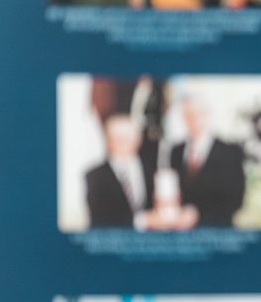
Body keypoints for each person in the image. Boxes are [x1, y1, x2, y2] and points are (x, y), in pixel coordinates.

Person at [169, 96, 246, 227]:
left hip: (217, 230)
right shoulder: (176, 151)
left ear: (208, 115)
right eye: (188, 115)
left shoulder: (230, 152)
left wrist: (198, 215)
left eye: (199, 114)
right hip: (181, 232)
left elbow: (235, 200)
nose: (193, 120)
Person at [85, 114, 155, 228]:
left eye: (129, 138)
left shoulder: (151, 169)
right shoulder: (94, 176)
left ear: (138, 140)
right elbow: (99, 219)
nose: (123, 143)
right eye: (118, 138)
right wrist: (143, 221)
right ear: (108, 141)